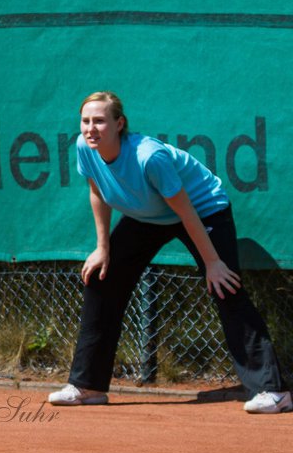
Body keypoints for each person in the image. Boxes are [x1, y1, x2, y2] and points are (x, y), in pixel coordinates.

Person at [48, 91, 289, 414]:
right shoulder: (84, 147)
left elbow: (186, 211)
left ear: (119, 124)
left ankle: (273, 392)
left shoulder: (149, 157)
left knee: (224, 287)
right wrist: (103, 248)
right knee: (103, 279)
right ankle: (87, 385)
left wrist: (213, 263)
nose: (91, 128)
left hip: (202, 210)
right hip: (146, 216)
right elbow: (98, 192)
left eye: (100, 121)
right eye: (86, 121)